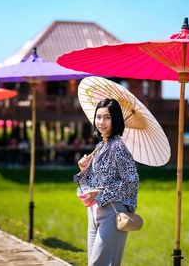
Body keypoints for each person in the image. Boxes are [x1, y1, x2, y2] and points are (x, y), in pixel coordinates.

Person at [74, 98, 139, 266]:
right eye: (98, 117)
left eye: (107, 117)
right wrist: (84, 169)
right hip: (94, 213)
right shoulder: (101, 145)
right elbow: (98, 181)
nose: (101, 122)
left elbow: (131, 182)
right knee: (94, 263)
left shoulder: (118, 146)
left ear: (115, 119)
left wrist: (101, 193)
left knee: (100, 264)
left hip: (113, 212)